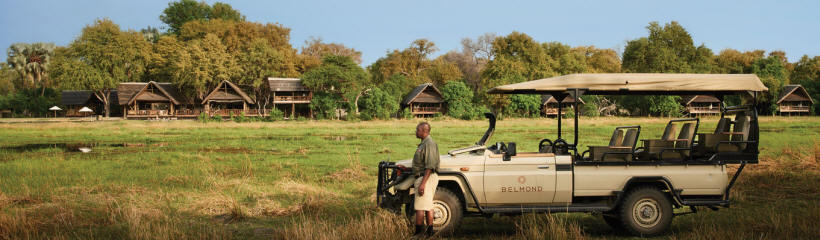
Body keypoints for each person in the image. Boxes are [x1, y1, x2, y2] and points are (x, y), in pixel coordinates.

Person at [412, 122, 440, 237]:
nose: (416, 132)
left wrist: (423, 184)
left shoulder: (429, 144)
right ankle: (429, 232)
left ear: (424, 131)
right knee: (427, 205)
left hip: (426, 177)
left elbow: (429, 166)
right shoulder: (424, 143)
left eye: (417, 130)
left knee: (419, 206)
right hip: (425, 177)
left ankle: (418, 233)